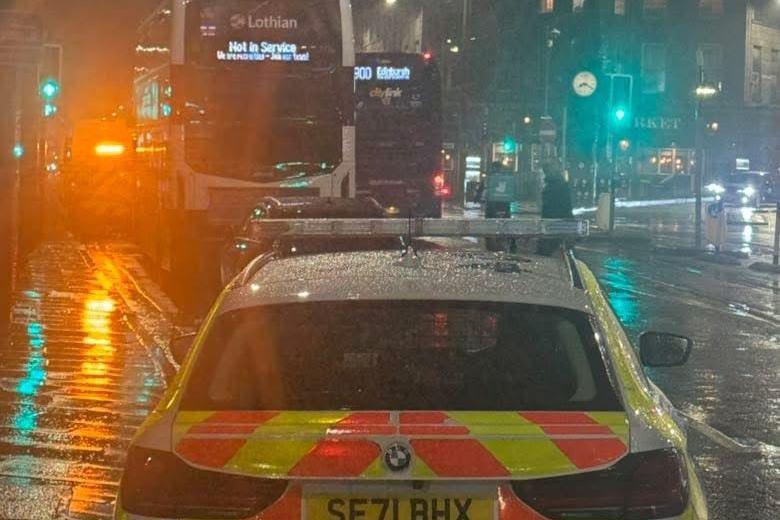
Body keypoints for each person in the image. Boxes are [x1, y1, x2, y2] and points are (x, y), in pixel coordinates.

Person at [538, 161, 574, 256]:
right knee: (561, 249)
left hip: (553, 221)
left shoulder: (551, 186)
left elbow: (549, 206)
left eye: (544, 171)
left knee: (547, 249)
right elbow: (568, 205)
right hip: (559, 220)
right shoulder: (561, 184)